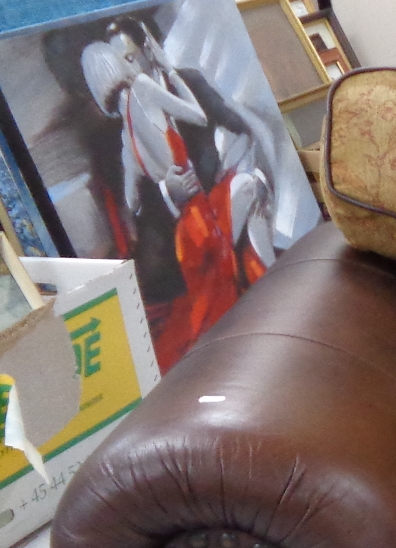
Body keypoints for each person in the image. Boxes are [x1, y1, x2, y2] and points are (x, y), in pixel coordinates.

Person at [80, 20, 274, 368]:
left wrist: (161, 182)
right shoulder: (142, 88)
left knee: (252, 188)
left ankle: (269, 281)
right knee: (252, 186)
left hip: (191, 233)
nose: (132, 64)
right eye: (123, 59)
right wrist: (167, 188)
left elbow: (131, 201)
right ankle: (274, 282)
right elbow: (198, 116)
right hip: (198, 227)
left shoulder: (127, 138)